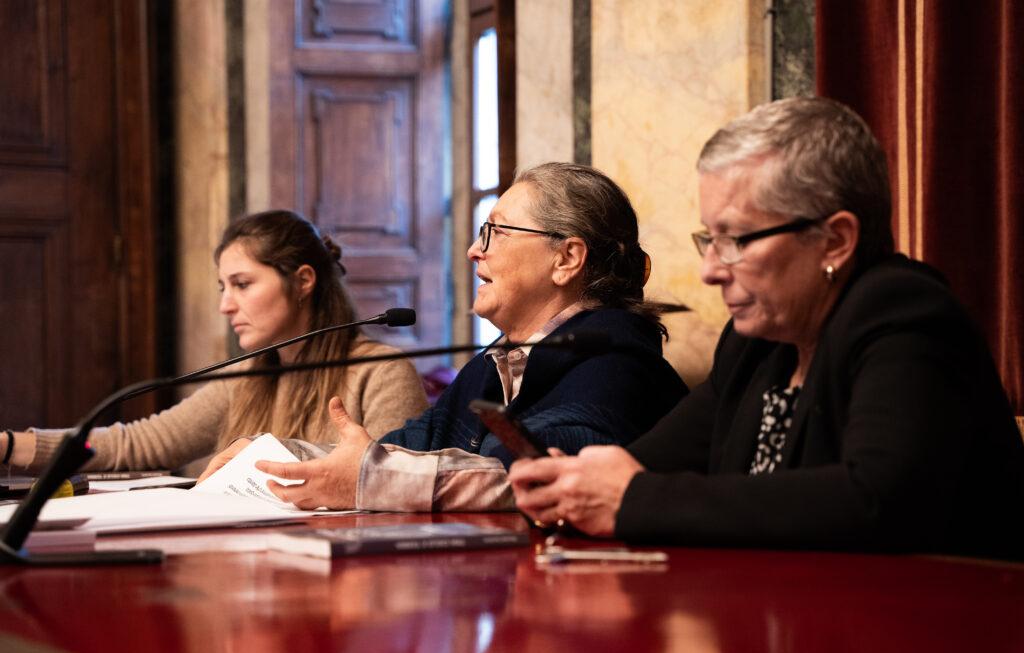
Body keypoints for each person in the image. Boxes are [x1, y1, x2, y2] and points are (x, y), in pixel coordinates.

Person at [510, 97, 1024, 559]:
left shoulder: (904, 314)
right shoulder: (757, 342)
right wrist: (570, 483)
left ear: (835, 240)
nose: (711, 268)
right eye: (709, 239)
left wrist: (631, 499)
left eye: (735, 239)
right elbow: (642, 466)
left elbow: (878, 501)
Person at [201, 163, 688, 511]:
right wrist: (275, 457)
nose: (476, 250)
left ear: (566, 259)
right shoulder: (496, 364)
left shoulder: (617, 364)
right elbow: (405, 449)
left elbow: (534, 479)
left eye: (496, 232)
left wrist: (372, 478)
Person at [1, 210, 428, 473]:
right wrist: (10, 447)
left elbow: (391, 486)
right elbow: (143, 444)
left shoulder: (382, 372)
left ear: (302, 281)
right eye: (222, 287)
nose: (226, 305)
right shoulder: (250, 373)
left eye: (242, 285)